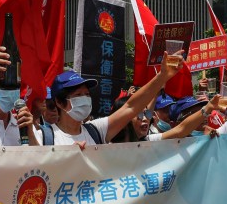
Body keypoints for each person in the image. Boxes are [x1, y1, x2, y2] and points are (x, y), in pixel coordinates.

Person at [28, 52, 183, 146]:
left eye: (87, 95)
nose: (85, 100)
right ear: (60, 102)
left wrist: (162, 76)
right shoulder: (44, 137)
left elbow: (130, 107)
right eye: (78, 96)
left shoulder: (96, 131)